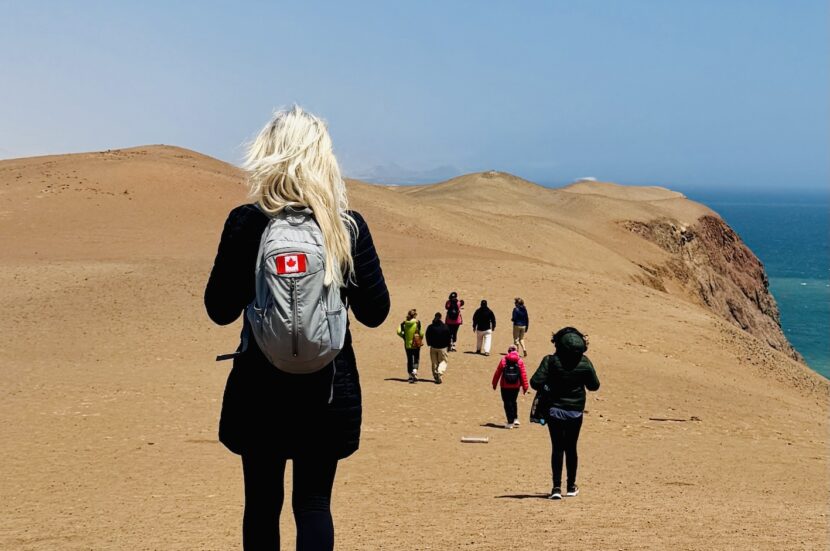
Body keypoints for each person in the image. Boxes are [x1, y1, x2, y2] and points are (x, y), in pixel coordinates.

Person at [204, 106, 390, 550]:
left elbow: (218, 309)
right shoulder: (345, 226)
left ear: (269, 156)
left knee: (262, 504)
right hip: (327, 390)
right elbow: (376, 311)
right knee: (313, 504)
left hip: (258, 389)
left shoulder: (247, 221)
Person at [530, 327, 600, 500]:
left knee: (557, 448)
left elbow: (535, 382)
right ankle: (571, 486)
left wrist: (549, 385)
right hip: (575, 412)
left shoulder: (551, 360)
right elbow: (594, 385)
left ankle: (555, 487)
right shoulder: (584, 361)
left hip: (554, 410)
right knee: (571, 447)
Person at [492, 345, 529, 428]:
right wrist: (525, 386)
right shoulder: (519, 361)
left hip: (505, 386)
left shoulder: (504, 360)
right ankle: (515, 419)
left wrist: (494, 384)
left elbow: (497, 373)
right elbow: (523, 374)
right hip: (516, 385)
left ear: (508, 351)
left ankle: (510, 422)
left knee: (507, 403)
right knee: (513, 401)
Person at [396, 309, 424, 383]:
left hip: (407, 344)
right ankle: (415, 371)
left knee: (409, 359)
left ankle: (410, 376)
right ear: (415, 315)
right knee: (416, 358)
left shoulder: (404, 323)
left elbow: (398, 332)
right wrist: (420, 337)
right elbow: (421, 333)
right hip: (416, 344)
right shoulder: (417, 323)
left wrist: (404, 336)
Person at [425, 312, 451, 383]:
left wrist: (429, 343)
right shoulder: (445, 327)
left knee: (434, 362)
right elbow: (449, 337)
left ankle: (436, 376)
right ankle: (440, 372)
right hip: (443, 348)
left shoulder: (431, 327)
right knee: (443, 361)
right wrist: (449, 346)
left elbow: (427, 335)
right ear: (441, 318)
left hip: (433, 347)